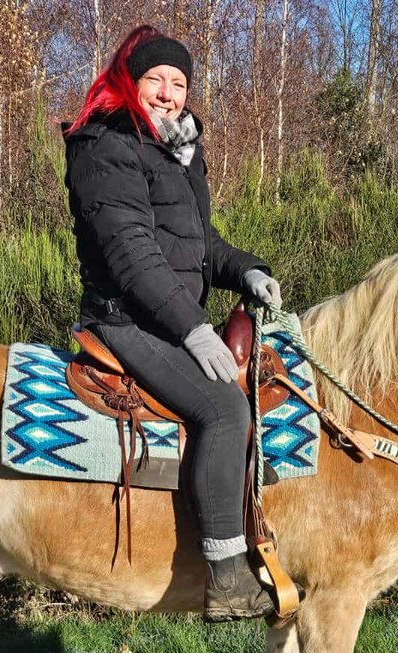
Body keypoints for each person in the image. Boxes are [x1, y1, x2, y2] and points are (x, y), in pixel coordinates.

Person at [63, 25, 284, 622]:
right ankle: (227, 576)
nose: (167, 92)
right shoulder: (106, 144)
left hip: (165, 320)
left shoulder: (179, 151)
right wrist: (194, 328)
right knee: (224, 408)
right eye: (155, 78)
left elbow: (198, 246)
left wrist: (249, 272)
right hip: (125, 320)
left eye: (179, 82)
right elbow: (132, 254)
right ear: (130, 82)